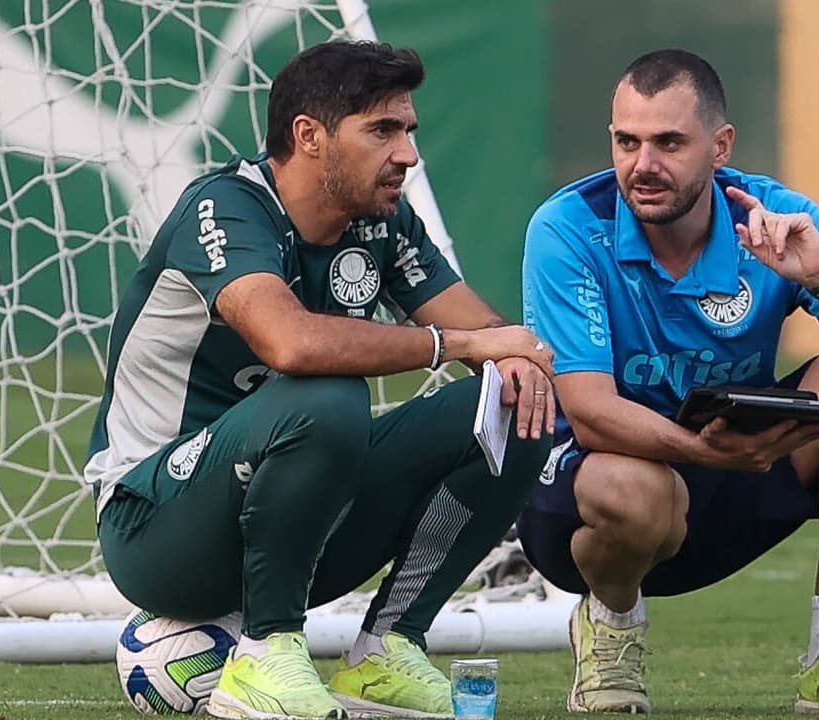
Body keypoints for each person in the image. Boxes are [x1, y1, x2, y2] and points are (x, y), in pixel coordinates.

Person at [85, 40, 557, 720]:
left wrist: (512, 358)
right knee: (325, 394)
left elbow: (490, 336)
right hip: (157, 527)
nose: (407, 154)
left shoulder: (383, 222)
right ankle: (266, 657)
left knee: (511, 406)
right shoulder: (225, 207)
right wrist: (458, 344)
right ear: (308, 135)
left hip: (296, 521)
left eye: (408, 131)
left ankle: (388, 649)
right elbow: (292, 344)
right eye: (382, 131)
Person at [518, 49, 819, 716]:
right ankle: (611, 629)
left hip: (729, 477)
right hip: (594, 506)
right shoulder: (568, 228)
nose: (642, 165)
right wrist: (709, 452)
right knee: (632, 486)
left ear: (720, 147)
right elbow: (590, 413)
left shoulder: (773, 215)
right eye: (626, 141)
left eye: (668, 143)